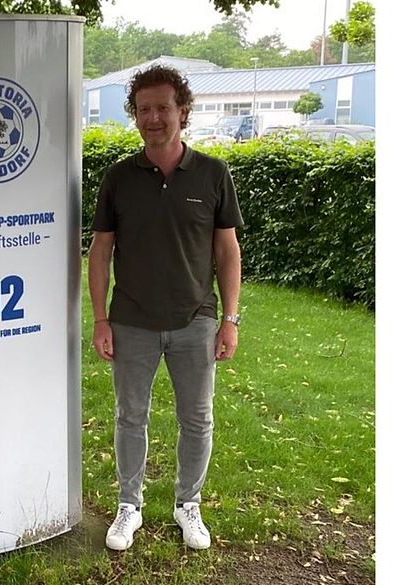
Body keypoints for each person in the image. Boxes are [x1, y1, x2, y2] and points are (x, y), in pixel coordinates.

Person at [87, 65, 243, 553]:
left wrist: (230, 320)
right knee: (130, 417)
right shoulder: (119, 177)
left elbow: (227, 251)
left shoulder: (214, 173)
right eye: (144, 109)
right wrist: (100, 318)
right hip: (131, 320)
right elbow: (100, 250)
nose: (154, 118)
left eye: (163, 108)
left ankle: (186, 504)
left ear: (183, 112)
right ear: (135, 115)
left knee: (197, 420)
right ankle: (129, 505)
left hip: (196, 320)